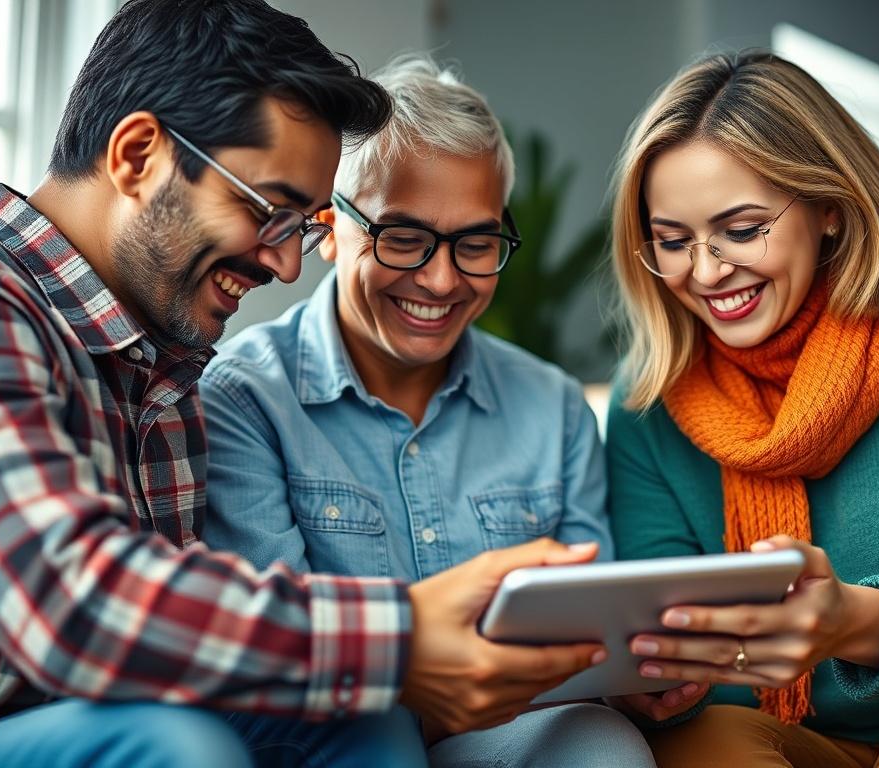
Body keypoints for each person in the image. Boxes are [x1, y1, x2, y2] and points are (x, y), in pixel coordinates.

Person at [0, 3, 610, 766]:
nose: (287, 265)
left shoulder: (161, 362)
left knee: (361, 724)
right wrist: (401, 634)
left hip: (103, 713)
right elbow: (66, 600)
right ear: (137, 155)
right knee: (179, 744)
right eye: (267, 212)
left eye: (298, 227)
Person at [199, 54, 656, 767]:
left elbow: (588, 649)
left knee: (603, 743)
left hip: (513, 730)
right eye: (403, 237)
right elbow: (275, 664)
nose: (442, 281)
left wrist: (644, 679)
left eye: (475, 243)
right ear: (328, 227)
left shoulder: (554, 407)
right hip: (336, 741)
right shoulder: (245, 396)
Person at [604, 50, 879, 767]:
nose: (708, 272)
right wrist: (659, 681)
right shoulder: (647, 398)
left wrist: (855, 621)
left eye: (742, 230)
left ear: (829, 207)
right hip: (786, 738)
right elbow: (668, 633)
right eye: (673, 241)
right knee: (698, 738)